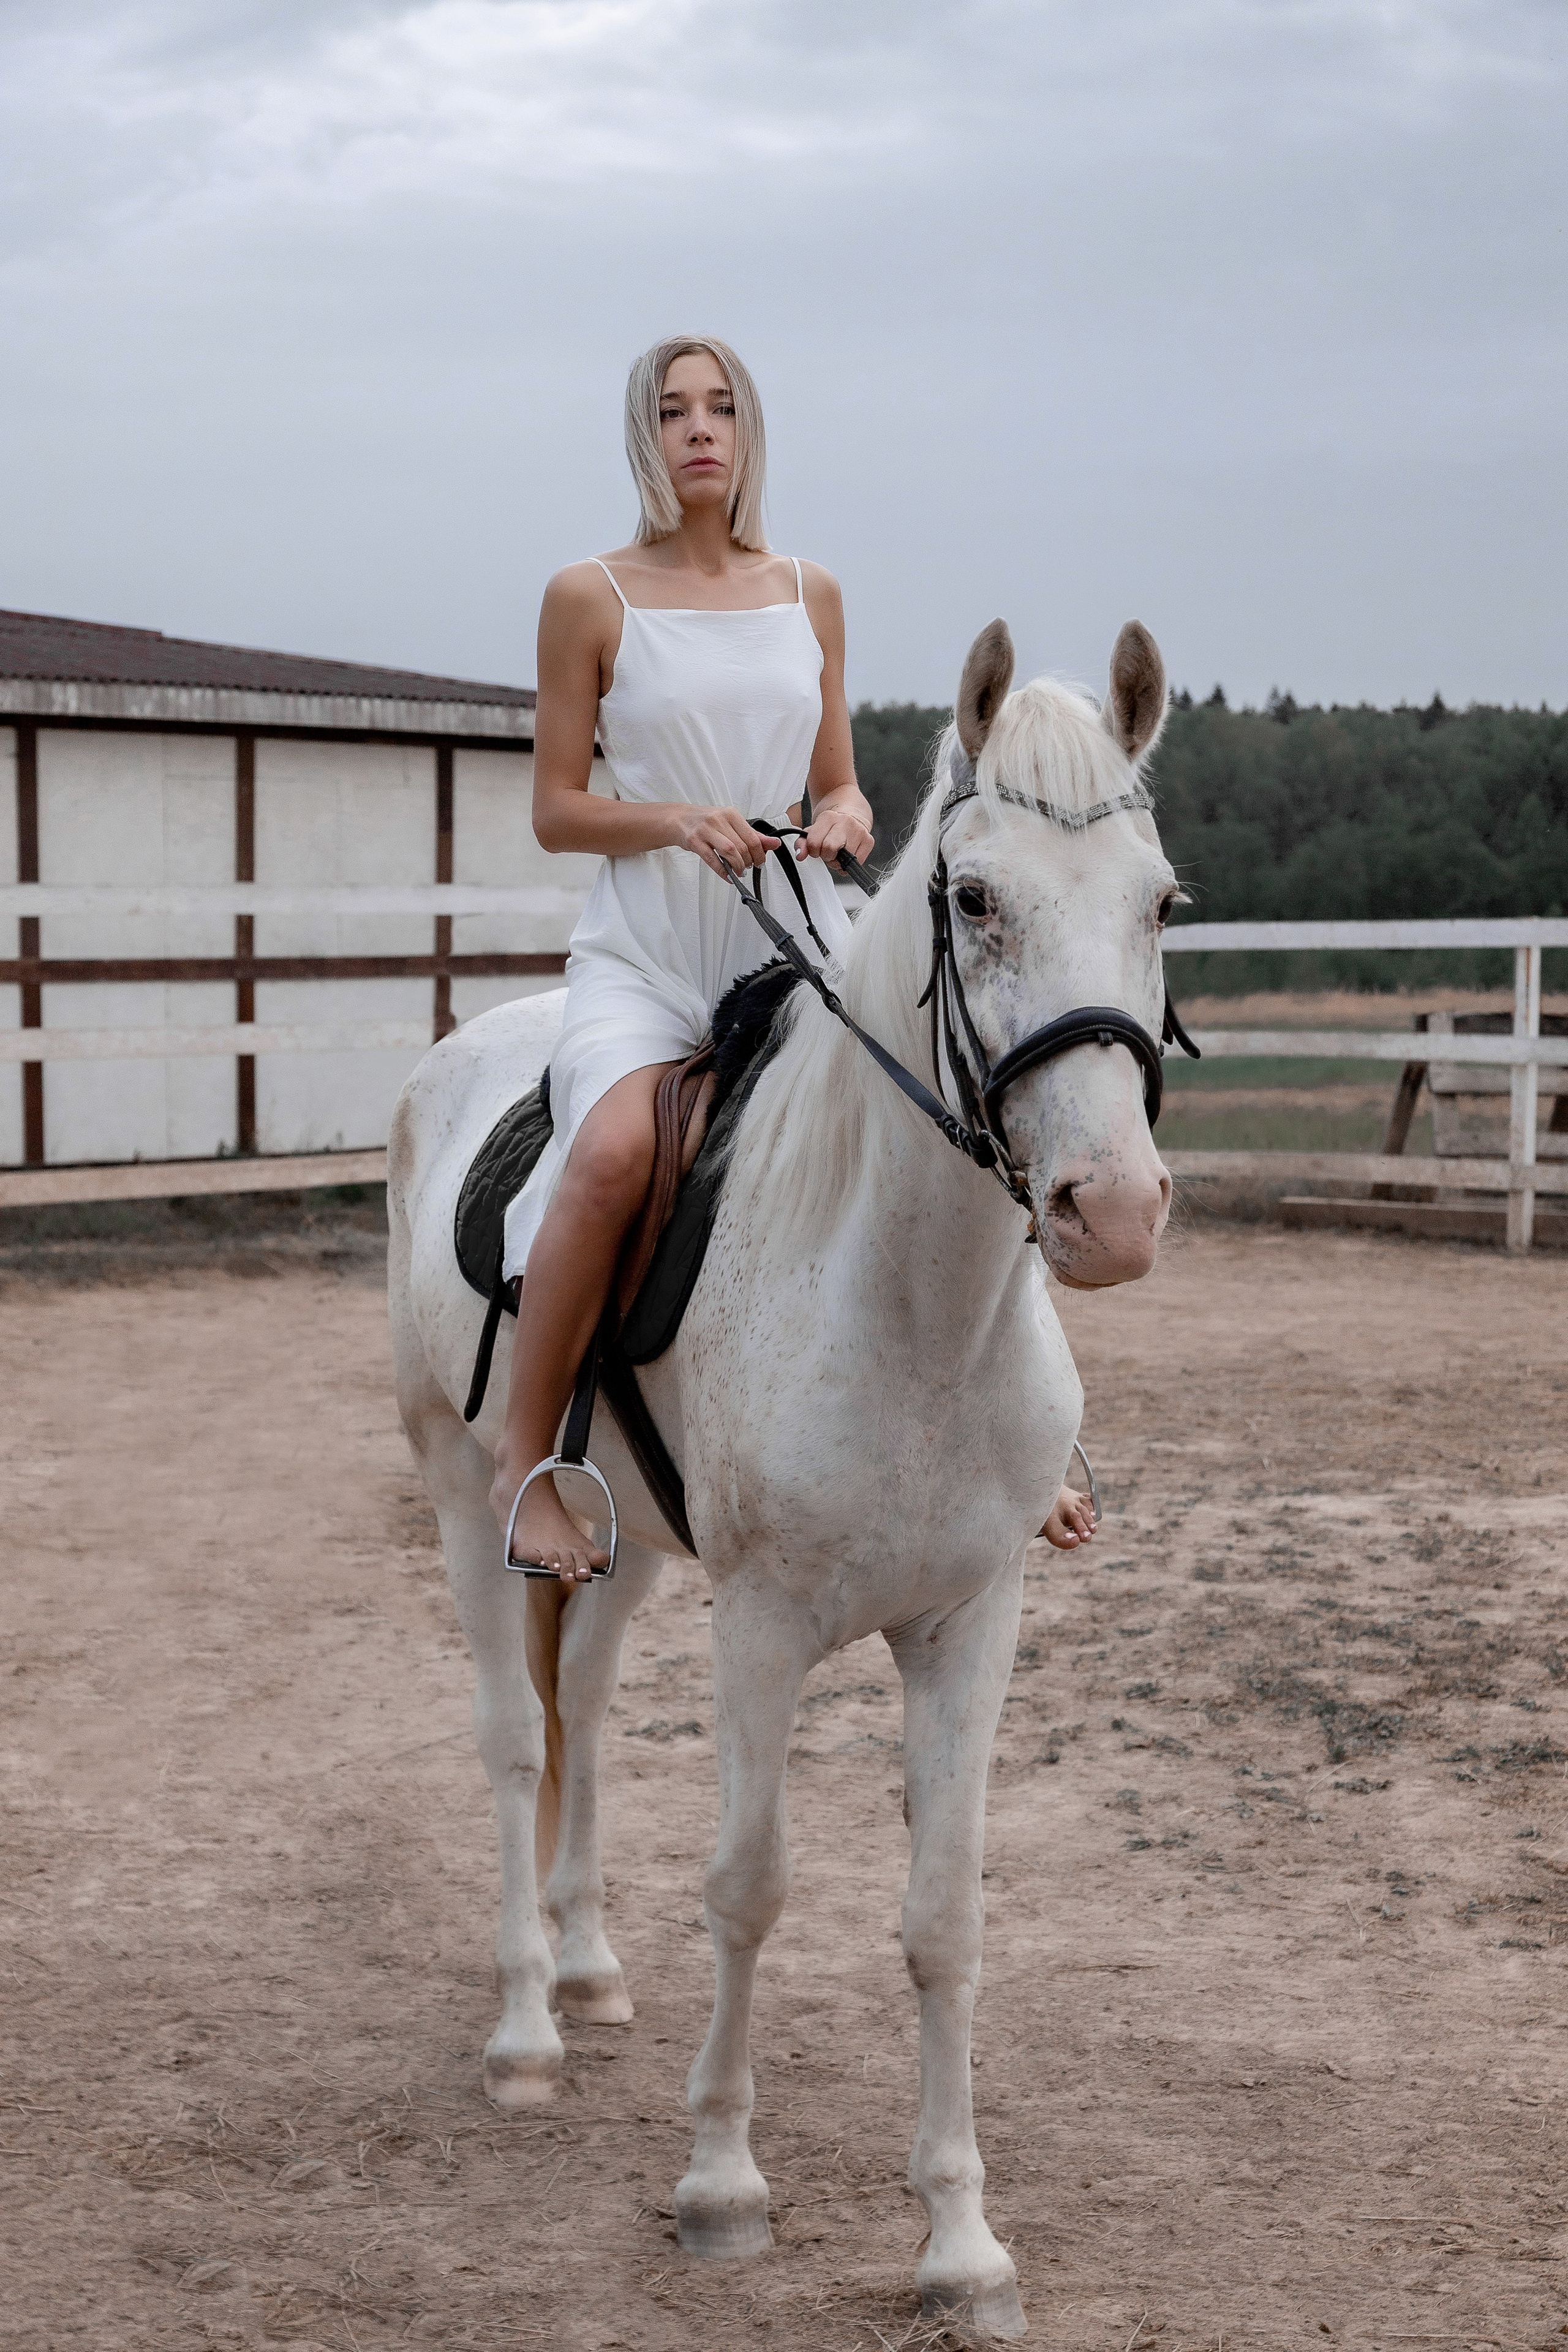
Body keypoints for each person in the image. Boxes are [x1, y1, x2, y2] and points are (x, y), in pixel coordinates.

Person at [490, 333, 1096, 1581]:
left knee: (947, 1119)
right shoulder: (586, 595)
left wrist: (849, 817)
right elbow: (556, 807)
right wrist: (674, 817)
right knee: (608, 1154)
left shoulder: (807, 590)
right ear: (643, 437)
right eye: (672, 412)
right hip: (654, 952)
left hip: (798, 935)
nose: (698, 430)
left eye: (720, 409)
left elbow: (834, 777)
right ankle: (523, 1465)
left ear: (749, 432)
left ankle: (1019, 1439)